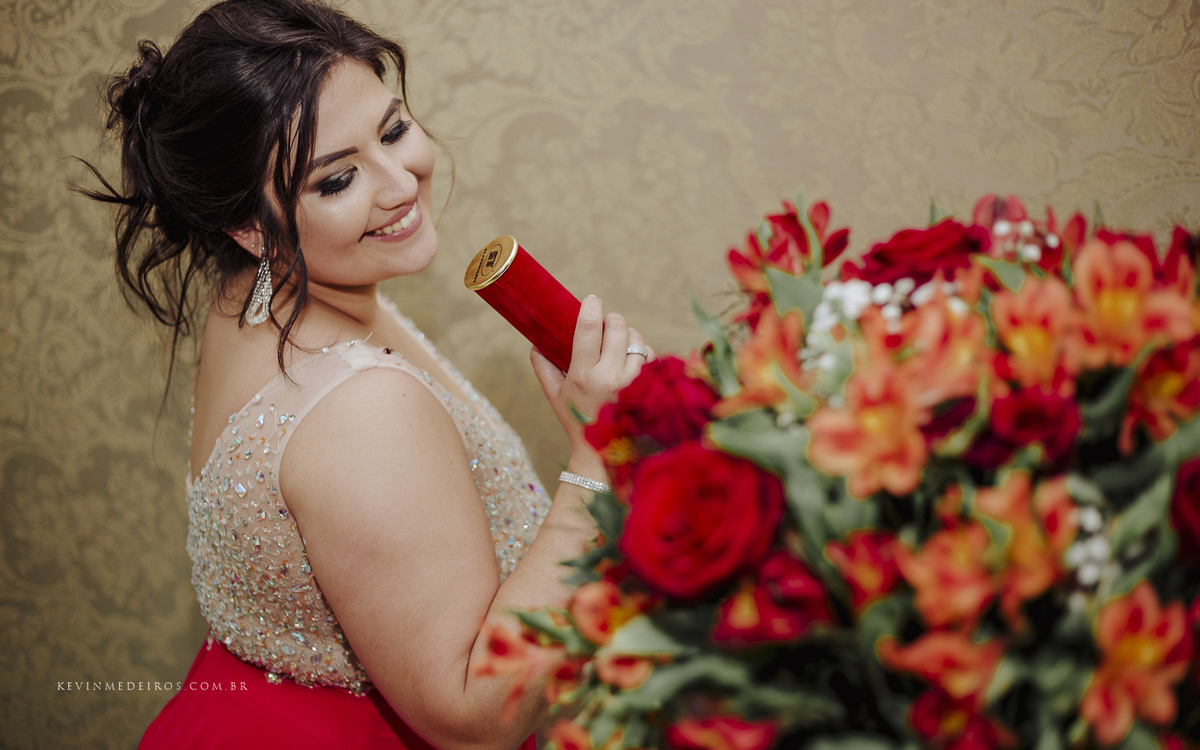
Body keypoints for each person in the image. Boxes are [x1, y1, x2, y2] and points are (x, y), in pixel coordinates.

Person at [83, 1, 650, 747]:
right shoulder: (362, 409)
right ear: (249, 224)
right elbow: (475, 717)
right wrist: (598, 460)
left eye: (392, 130)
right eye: (336, 180)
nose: (400, 183)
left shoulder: (253, 301)